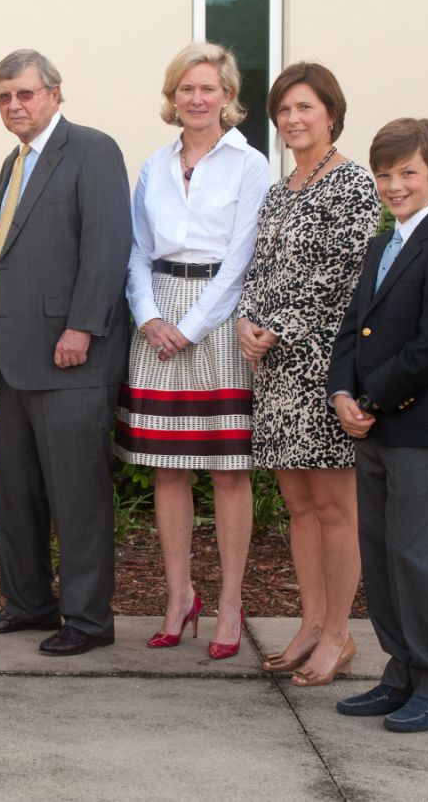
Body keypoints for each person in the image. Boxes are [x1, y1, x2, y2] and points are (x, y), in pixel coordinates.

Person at [0, 49, 132, 656]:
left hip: (70, 358)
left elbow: (107, 244)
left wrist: (83, 327)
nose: (15, 105)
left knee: (77, 495)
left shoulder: (92, 150)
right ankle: (29, 602)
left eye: (25, 94)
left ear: (55, 94)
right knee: (19, 492)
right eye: (4, 96)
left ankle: (88, 619)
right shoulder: (14, 163)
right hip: (15, 361)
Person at [115, 42, 270, 659]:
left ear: (228, 96)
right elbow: (134, 249)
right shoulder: (153, 164)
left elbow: (242, 256)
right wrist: (150, 316)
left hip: (220, 319)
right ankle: (180, 596)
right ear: (172, 97)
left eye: (208, 88)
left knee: (230, 471)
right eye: (186, 88)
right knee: (168, 469)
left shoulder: (249, 164)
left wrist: (194, 325)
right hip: (156, 319)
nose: (197, 99)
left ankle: (231, 602)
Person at [235, 62, 380, 685]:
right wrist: (246, 320)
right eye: (283, 112)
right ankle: (312, 622)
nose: (293, 120)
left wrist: (282, 323)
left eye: (305, 108)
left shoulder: (351, 184)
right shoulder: (280, 187)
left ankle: (341, 634)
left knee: (333, 506)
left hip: (325, 367)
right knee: (297, 504)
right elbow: (256, 267)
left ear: (331, 112)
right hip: (274, 369)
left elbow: (346, 271)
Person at [328, 118, 428, 732]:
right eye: (385, 174)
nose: (395, 185)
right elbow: (352, 328)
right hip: (374, 425)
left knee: (413, 558)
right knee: (380, 554)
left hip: (418, 427)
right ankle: (402, 673)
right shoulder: (379, 244)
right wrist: (341, 391)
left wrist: (373, 398)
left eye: (408, 173)